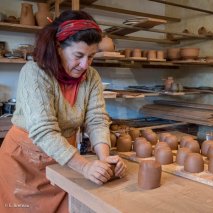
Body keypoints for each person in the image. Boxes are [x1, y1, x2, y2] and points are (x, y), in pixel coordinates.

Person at [0, 10, 126, 212]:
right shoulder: (35, 73)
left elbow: (97, 120)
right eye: (78, 55)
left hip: (64, 161)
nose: (85, 64)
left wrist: (105, 159)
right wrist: (84, 167)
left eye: (91, 56)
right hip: (24, 163)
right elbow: (44, 131)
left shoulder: (91, 76)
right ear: (58, 47)